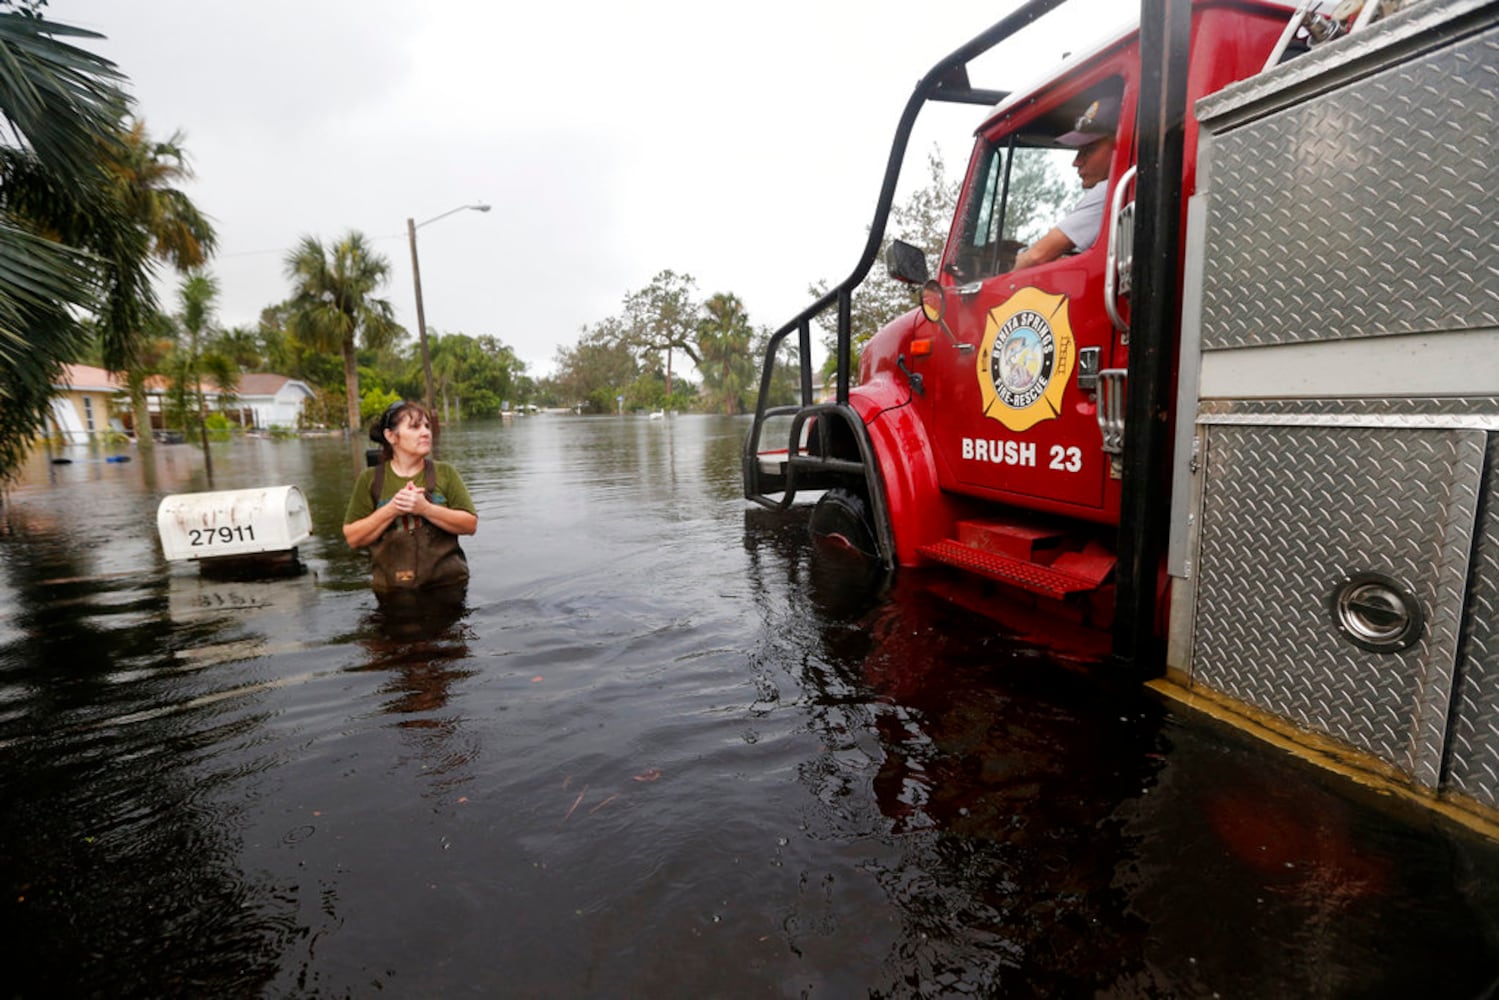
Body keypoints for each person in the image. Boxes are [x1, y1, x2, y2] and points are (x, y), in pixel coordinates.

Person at [343, 400, 477, 593]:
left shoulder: (446, 473)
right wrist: (391, 509)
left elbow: (470, 525)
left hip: (449, 587)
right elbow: (353, 538)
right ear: (391, 436)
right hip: (392, 593)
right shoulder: (370, 479)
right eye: (414, 427)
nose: (425, 432)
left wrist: (425, 509)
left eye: (427, 426)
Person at [1013, 97, 1119, 270]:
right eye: (1079, 151)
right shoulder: (1125, 191)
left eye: (1089, 150)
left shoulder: (1110, 191)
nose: (1076, 162)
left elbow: (1035, 258)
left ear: (1119, 144)